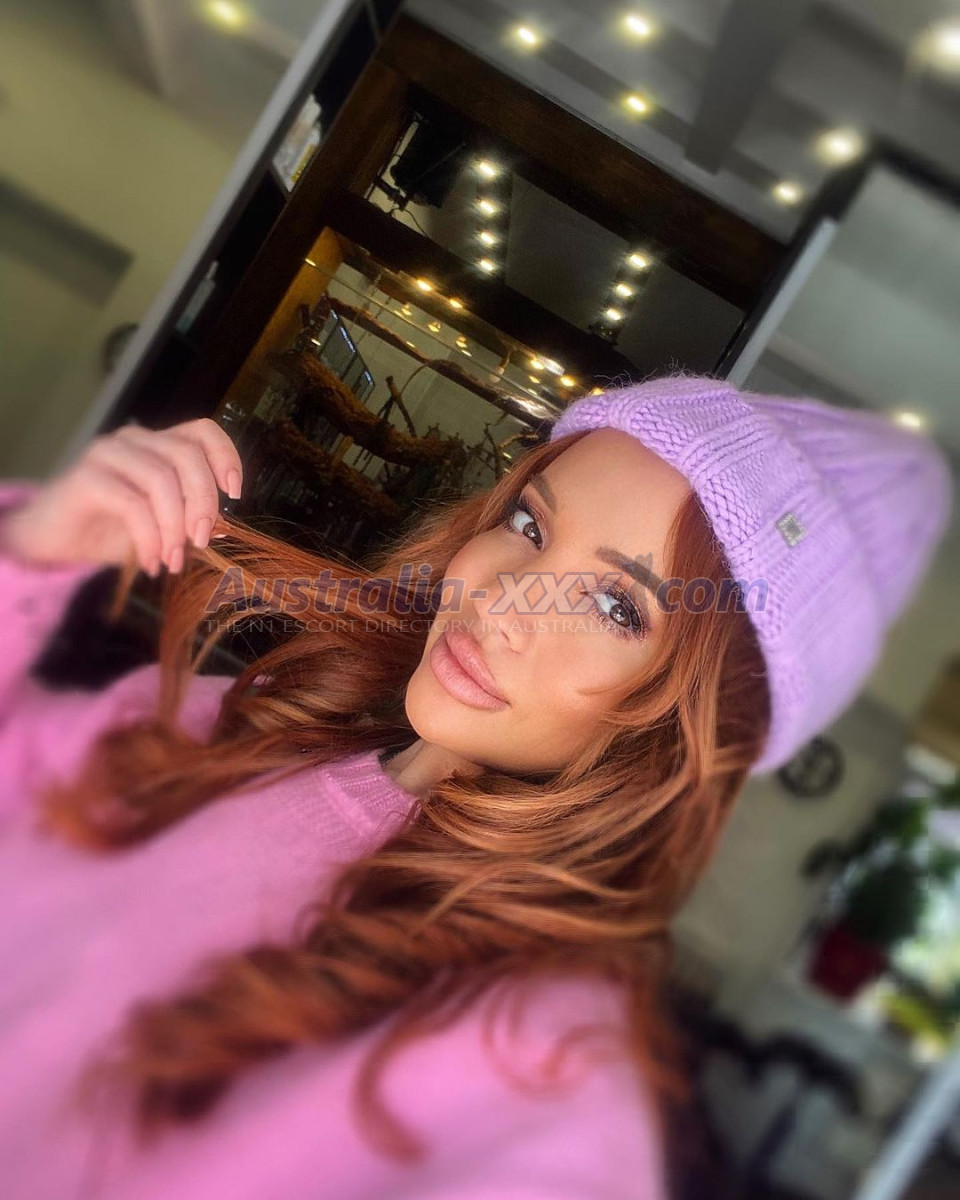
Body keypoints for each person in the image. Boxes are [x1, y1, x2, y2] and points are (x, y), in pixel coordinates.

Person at [0, 373, 950, 1199]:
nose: (504, 599)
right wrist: (33, 559)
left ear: (685, 726)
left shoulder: (540, 1073)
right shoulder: (239, 725)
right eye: (530, 524)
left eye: (615, 605)